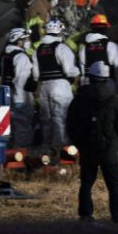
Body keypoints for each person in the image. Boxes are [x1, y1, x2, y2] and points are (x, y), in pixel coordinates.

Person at [66, 79, 118, 223]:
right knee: (113, 185)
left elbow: (70, 125)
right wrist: (116, 145)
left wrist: (80, 144)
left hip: (88, 149)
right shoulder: (114, 99)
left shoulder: (79, 100)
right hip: (109, 149)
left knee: (86, 183)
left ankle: (85, 215)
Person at [34, 17, 80, 158]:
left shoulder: (39, 49)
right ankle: (61, 151)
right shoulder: (61, 48)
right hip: (60, 86)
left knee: (46, 120)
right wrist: (78, 73)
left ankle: (46, 150)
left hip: (44, 88)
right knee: (61, 118)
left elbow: (35, 74)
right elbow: (69, 71)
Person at [78, 14, 118, 99]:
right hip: (107, 88)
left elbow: (83, 73)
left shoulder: (84, 48)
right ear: (106, 28)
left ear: (91, 28)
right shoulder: (112, 46)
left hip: (89, 89)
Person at [1, 27, 36, 149]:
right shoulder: (21, 57)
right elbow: (20, 80)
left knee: (10, 126)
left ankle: (10, 152)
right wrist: (20, 99)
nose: (28, 41)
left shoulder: (6, 55)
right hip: (20, 96)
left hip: (7, 94)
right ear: (18, 40)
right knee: (23, 126)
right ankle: (22, 152)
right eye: (25, 39)